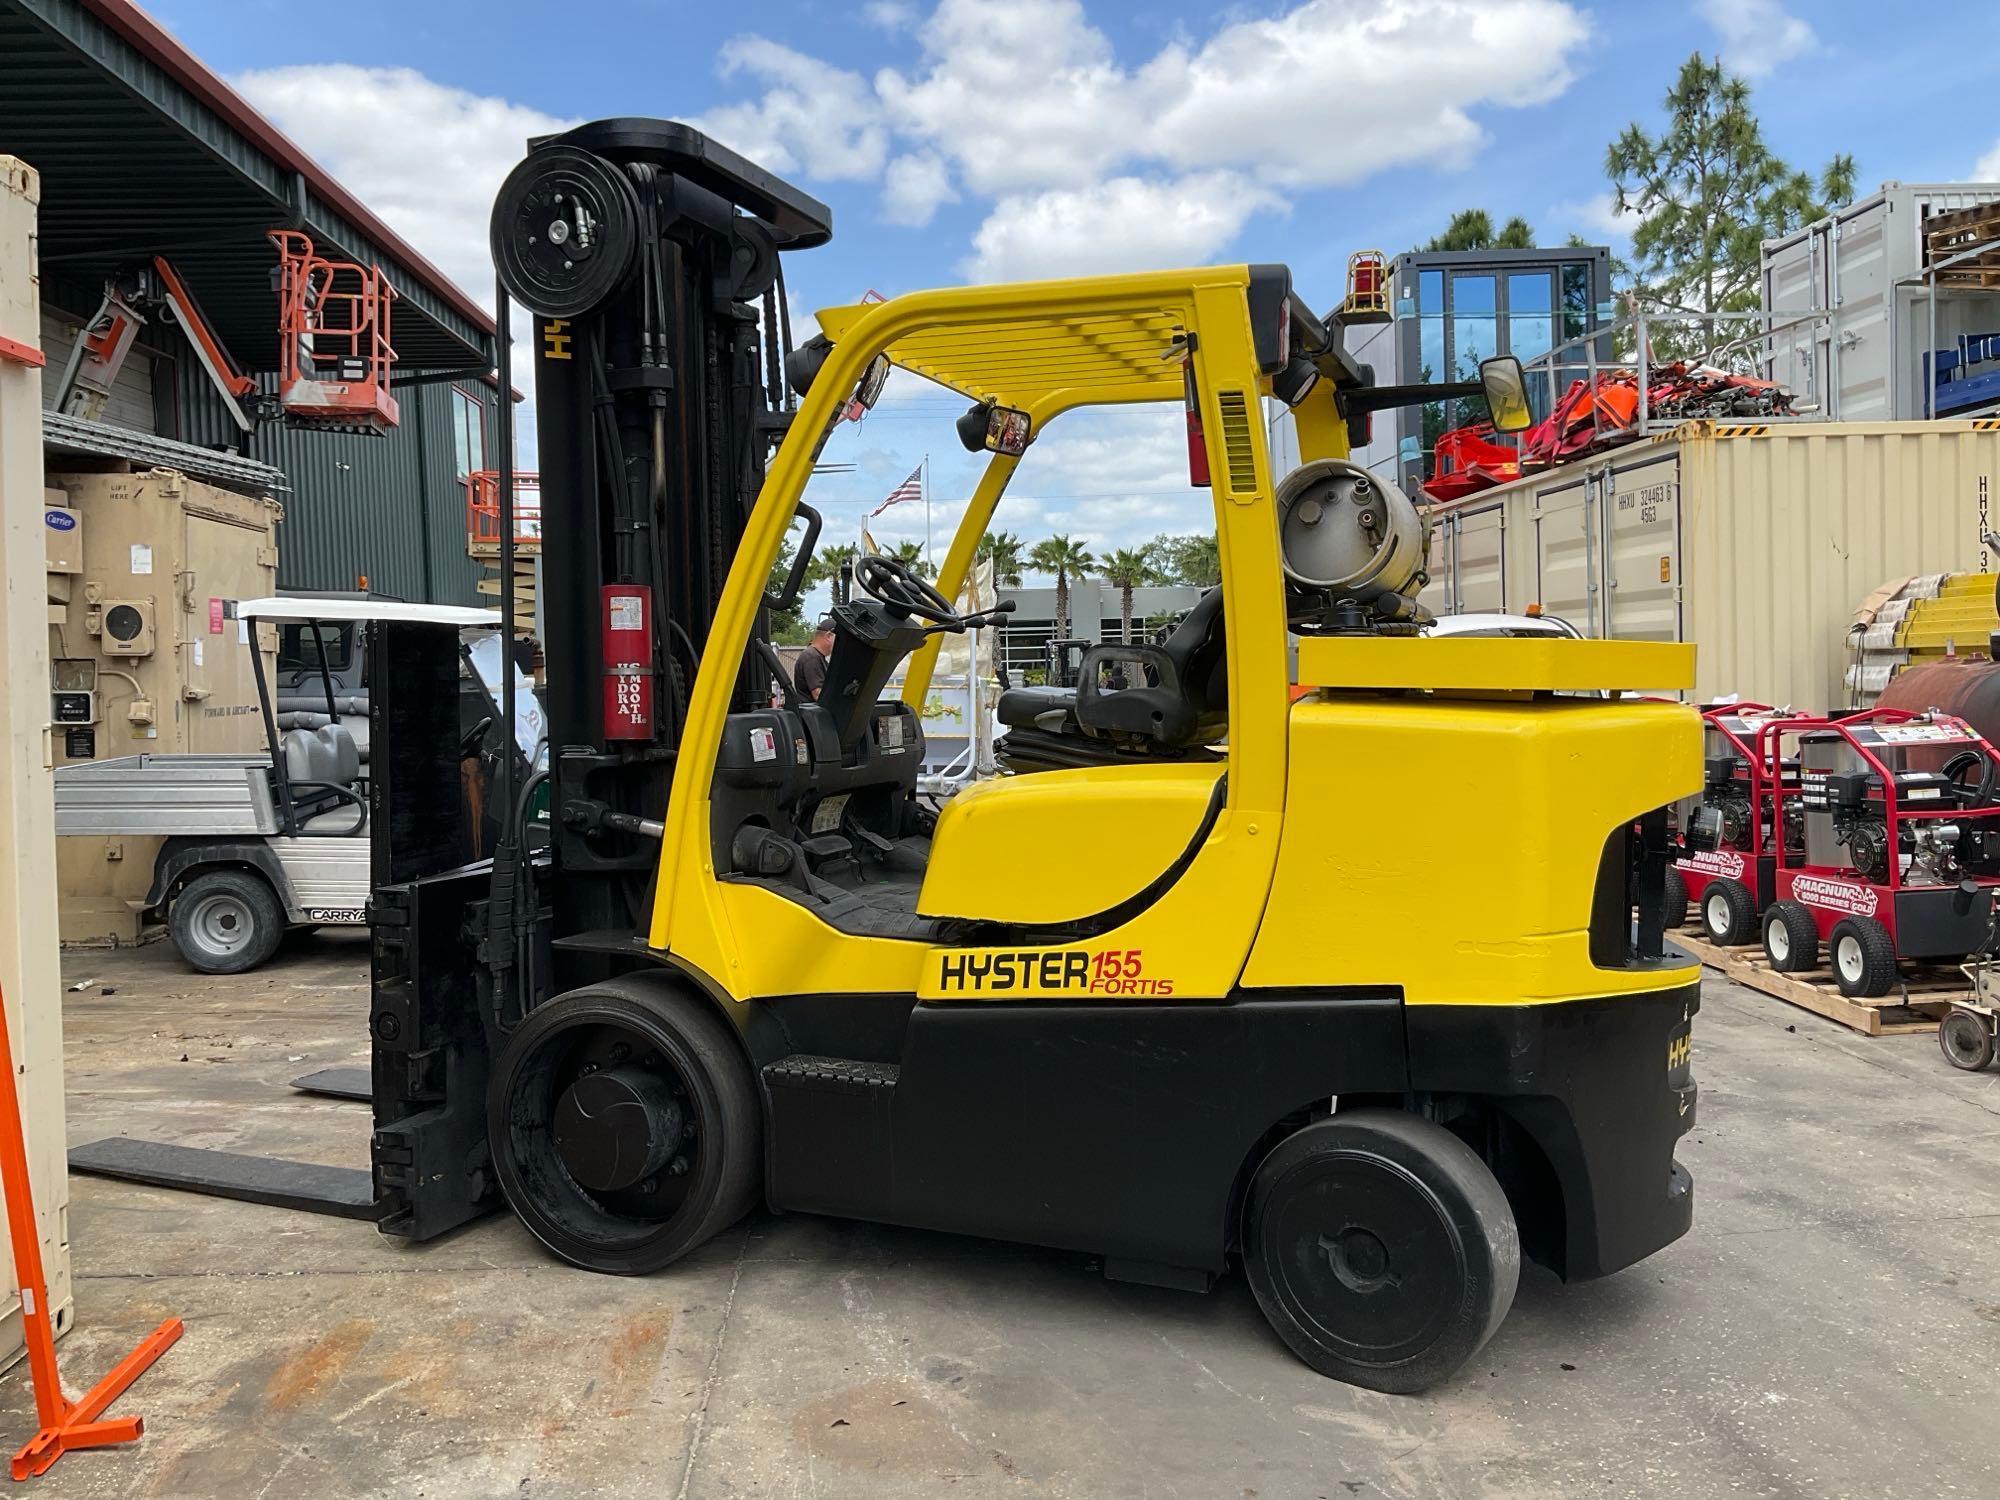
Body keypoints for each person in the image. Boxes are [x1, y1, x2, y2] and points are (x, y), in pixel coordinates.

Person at [793, 616, 835, 701]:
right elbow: (819, 695)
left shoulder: (817, 657)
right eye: (838, 638)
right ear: (828, 636)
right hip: (812, 713)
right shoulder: (812, 657)